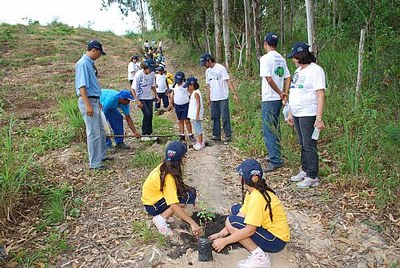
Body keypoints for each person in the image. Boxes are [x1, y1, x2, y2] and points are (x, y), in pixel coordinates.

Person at [209, 159, 290, 268]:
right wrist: (221, 234)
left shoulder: (257, 198)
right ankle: (254, 250)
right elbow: (241, 215)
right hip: (270, 230)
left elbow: (249, 230)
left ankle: (260, 257)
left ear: (242, 178)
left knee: (231, 221)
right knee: (235, 210)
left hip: (275, 240)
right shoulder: (254, 191)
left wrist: (225, 241)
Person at [286, 42, 326, 188]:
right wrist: (290, 112)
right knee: (302, 143)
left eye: (294, 57)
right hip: (296, 112)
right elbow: (294, 91)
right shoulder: (298, 71)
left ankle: (312, 175)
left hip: (308, 113)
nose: (293, 60)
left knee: (309, 144)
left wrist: (318, 118)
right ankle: (305, 169)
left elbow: (320, 95)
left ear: (301, 56)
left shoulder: (316, 71)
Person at [141, 141, 201, 237]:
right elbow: (174, 205)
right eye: (184, 156)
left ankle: (165, 213)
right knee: (184, 198)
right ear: (181, 159)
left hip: (156, 198)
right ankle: (160, 219)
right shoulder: (168, 177)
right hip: (152, 205)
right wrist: (193, 223)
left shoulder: (166, 166)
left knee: (190, 193)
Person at [259, 32, 291, 172]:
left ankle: (275, 160)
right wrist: (285, 93)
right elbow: (288, 77)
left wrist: (279, 93)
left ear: (265, 43)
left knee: (269, 129)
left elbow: (269, 79)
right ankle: (275, 153)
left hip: (270, 97)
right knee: (275, 126)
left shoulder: (265, 58)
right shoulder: (281, 58)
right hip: (278, 98)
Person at [75, 39, 108, 170]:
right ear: (94, 50)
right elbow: (82, 86)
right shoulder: (83, 64)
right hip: (88, 101)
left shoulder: (90, 63)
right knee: (93, 133)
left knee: (100, 130)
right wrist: (88, 105)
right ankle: (95, 163)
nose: (99, 56)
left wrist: (97, 102)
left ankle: (102, 156)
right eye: (99, 53)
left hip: (94, 100)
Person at [200, 53, 238, 143]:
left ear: (209, 60)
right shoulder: (207, 72)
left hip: (223, 97)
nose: (204, 65)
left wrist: (234, 93)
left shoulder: (220, 68)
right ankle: (216, 135)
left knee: (225, 117)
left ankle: (228, 135)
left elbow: (228, 80)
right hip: (214, 98)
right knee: (215, 117)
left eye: (205, 63)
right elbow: (208, 86)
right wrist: (208, 98)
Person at [130, 59, 160, 136]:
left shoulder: (152, 74)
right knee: (146, 114)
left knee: (150, 114)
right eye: (149, 69)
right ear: (145, 68)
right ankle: (144, 133)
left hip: (149, 96)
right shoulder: (139, 75)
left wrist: (156, 95)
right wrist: (137, 101)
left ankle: (149, 133)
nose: (150, 71)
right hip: (140, 96)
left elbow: (153, 85)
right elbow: (133, 89)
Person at [169, 71, 195, 142]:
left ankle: (190, 134)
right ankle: (182, 135)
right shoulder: (174, 86)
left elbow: (191, 93)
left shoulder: (186, 86)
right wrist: (171, 102)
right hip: (177, 105)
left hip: (185, 105)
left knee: (187, 120)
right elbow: (173, 94)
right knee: (180, 120)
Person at [185, 77, 205, 151]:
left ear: (192, 85)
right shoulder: (194, 92)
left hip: (196, 114)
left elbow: (198, 104)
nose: (188, 88)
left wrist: (197, 114)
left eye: (188, 86)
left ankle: (200, 143)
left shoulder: (196, 93)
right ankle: (200, 142)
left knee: (198, 129)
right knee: (196, 128)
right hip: (193, 114)